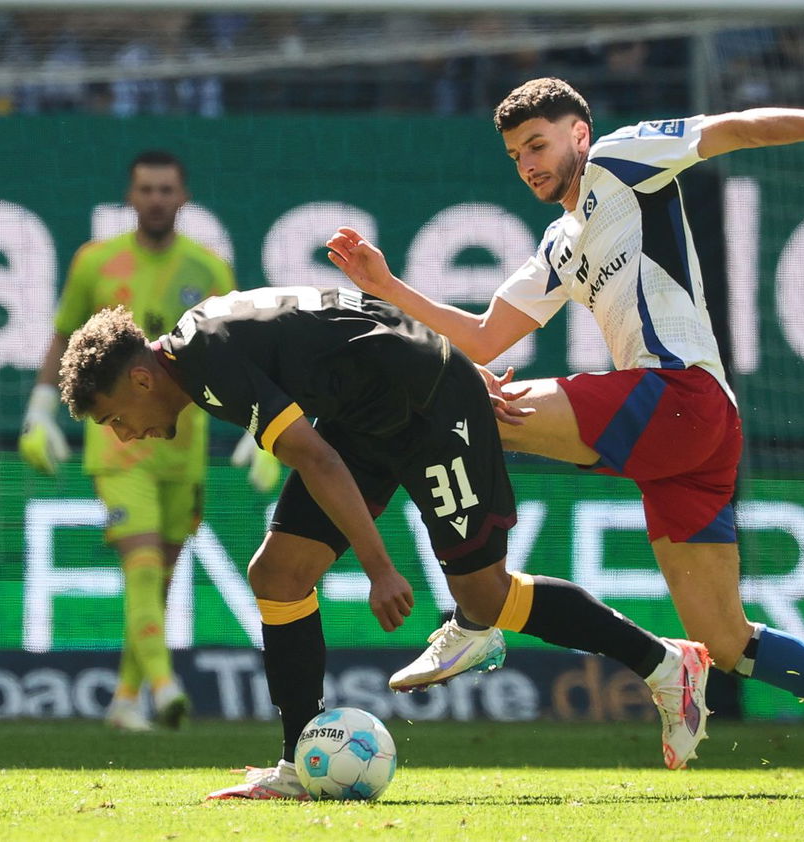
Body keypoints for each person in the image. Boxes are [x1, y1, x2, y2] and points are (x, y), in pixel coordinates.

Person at [326, 78, 804, 794]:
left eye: (538, 144)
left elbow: (737, 129)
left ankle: (476, 618)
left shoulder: (623, 158)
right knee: (726, 641)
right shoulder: (562, 243)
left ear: (579, 134)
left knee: (469, 414)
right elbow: (484, 335)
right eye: (514, 155)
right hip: (691, 434)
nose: (528, 163)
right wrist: (389, 286)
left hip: (678, 397)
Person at [56, 286, 714, 799]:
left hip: (429, 410)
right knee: (279, 575)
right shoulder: (203, 335)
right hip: (371, 412)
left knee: (483, 594)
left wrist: (379, 567)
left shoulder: (207, 362)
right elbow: (338, 312)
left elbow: (315, 459)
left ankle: (666, 666)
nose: (124, 434)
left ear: (141, 379)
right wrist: (437, 348)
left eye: (116, 417)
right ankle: (298, 763)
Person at [20, 151, 242, 732]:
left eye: (167, 188)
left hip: (183, 448)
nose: (156, 198)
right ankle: (166, 687)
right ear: (131, 195)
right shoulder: (96, 262)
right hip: (118, 446)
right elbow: (65, 334)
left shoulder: (210, 270)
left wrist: (258, 432)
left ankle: (124, 699)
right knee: (142, 567)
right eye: (146, 188)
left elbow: (236, 353)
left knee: (159, 580)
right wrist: (41, 407)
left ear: (183, 197)